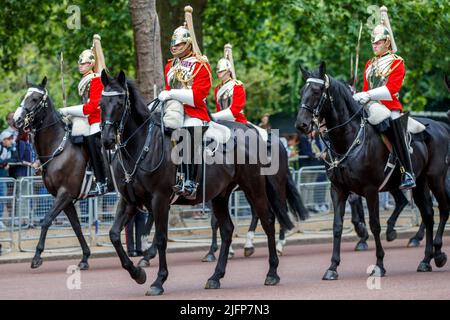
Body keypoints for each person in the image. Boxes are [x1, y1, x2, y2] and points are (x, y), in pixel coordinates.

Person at [352, 6, 415, 190]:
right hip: (370, 107)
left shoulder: (397, 62)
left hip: (390, 107)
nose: (374, 45)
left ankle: (407, 172)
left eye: (378, 42)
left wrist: (368, 94)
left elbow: (391, 89)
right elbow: (365, 89)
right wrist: (360, 97)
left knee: (395, 129)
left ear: (387, 42)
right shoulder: (369, 64)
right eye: (373, 43)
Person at [156, 8, 212, 200]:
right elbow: (167, 90)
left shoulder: (200, 64)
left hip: (195, 113)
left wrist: (171, 93)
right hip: (173, 111)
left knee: (188, 133)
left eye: (179, 44)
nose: (175, 47)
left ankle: (190, 181)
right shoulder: (169, 66)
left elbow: (198, 96)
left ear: (188, 44)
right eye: (174, 44)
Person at [60, 34, 108, 196]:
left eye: (85, 63)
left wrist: (68, 110)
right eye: (80, 63)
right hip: (86, 120)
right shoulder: (86, 80)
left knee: (92, 143)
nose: (81, 65)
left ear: (92, 64)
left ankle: (102, 181)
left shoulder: (96, 80)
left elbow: (92, 107)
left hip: (97, 120)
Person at [212, 44, 248, 124]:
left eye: (222, 71)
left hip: (236, 121)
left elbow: (236, 110)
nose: (219, 73)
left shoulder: (237, 86)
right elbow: (218, 109)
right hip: (222, 121)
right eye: (218, 71)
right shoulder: (217, 89)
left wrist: (215, 116)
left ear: (228, 71)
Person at [0, 131, 17, 229]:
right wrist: (4, 164)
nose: (11, 141)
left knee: (2, 199)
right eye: (9, 139)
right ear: (4, 140)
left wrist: (5, 163)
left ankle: (0, 220)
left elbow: (15, 159)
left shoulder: (9, 149)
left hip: (3, 178)